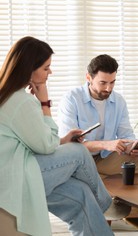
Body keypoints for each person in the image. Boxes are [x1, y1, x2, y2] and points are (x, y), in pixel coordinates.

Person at [0, 36, 114, 235]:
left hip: (15, 170)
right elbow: (46, 146)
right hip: (17, 175)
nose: (49, 72)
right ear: (29, 68)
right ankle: (107, 204)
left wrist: (62, 140)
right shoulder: (21, 101)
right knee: (79, 151)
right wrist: (45, 103)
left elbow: (37, 141)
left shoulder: (8, 95)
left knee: (81, 194)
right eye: (45, 68)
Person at [58, 54, 138, 177]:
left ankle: (100, 179)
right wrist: (107, 144)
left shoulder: (118, 101)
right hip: (79, 159)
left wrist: (132, 147)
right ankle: (99, 179)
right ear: (89, 77)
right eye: (103, 83)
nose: (108, 88)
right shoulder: (71, 99)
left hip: (104, 158)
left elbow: (126, 134)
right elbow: (70, 144)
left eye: (112, 82)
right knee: (85, 170)